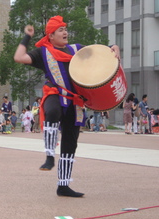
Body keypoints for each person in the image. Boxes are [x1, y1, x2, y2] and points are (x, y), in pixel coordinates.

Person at [14, 15, 120, 197]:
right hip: (54, 94)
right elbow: (19, 57)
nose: (65, 32)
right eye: (61, 30)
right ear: (51, 35)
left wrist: (114, 47)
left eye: (65, 29)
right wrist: (27, 36)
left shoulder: (76, 49)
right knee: (53, 111)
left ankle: (63, 186)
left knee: (70, 143)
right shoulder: (43, 52)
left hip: (75, 101)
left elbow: (100, 53)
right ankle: (49, 156)